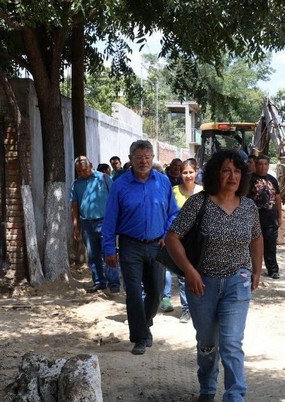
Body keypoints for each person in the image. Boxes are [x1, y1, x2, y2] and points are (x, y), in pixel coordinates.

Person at [165, 150, 262, 402]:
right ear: (216, 173)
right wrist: (190, 271)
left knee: (231, 346)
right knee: (207, 343)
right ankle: (207, 386)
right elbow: (172, 237)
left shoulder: (248, 207)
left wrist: (256, 271)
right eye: (226, 170)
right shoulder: (200, 203)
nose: (232, 177)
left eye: (237, 171)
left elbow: (256, 237)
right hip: (202, 284)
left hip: (237, 283)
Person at [102, 140, 179, 356]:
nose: (143, 161)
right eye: (139, 158)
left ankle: (145, 325)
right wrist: (109, 249)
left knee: (155, 292)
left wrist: (166, 233)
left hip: (157, 245)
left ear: (153, 159)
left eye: (147, 157)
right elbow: (110, 219)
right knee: (134, 293)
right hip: (130, 245)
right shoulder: (120, 185)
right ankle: (139, 337)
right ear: (131, 159)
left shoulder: (163, 182)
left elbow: (173, 213)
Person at [70, 156, 120, 293]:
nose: (83, 173)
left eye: (85, 170)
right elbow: (74, 206)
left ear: (91, 165)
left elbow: (115, 199)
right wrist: (75, 226)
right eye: (79, 171)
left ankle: (114, 283)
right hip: (86, 224)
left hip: (105, 222)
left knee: (108, 252)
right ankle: (99, 281)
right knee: (93, 256)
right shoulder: (76, 184)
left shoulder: (104, 178)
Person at [171, 158, 203, 323]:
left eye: (191, 172)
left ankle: (200, 305)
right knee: (184, 275)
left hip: (201, 240)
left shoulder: (204, 191)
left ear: (196, 172)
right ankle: (186, 309)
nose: (188, 175)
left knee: (202, 273)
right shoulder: (174, 191)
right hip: (181, 240)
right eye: (185, 172)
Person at [248, 155, 282, 279]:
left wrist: (279, 216)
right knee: (251, 247)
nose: (263, 167)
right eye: (260, 164)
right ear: (256, 165)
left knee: (271, 246)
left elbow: (278, 198)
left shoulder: (272, 180)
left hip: (270, 220)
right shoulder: (249, 180)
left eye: (265, 164)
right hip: (254, 220)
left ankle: (272, 269)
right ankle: (250, 269)